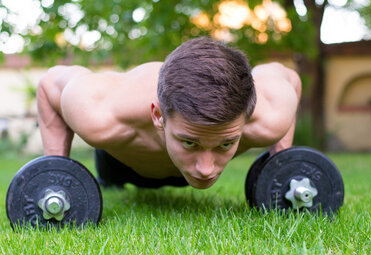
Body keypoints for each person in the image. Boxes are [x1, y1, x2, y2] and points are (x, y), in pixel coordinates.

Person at [37, 37, 301, 190]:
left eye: (225, 144)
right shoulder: (101, 112)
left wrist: (279, 169)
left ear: (247, 115)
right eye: (189, 142)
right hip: (122, 162)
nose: (206, 169)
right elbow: (50, 84)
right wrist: (55, 176)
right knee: (109, 176)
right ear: (158, 115)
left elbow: (290, 78)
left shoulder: (271, 114)